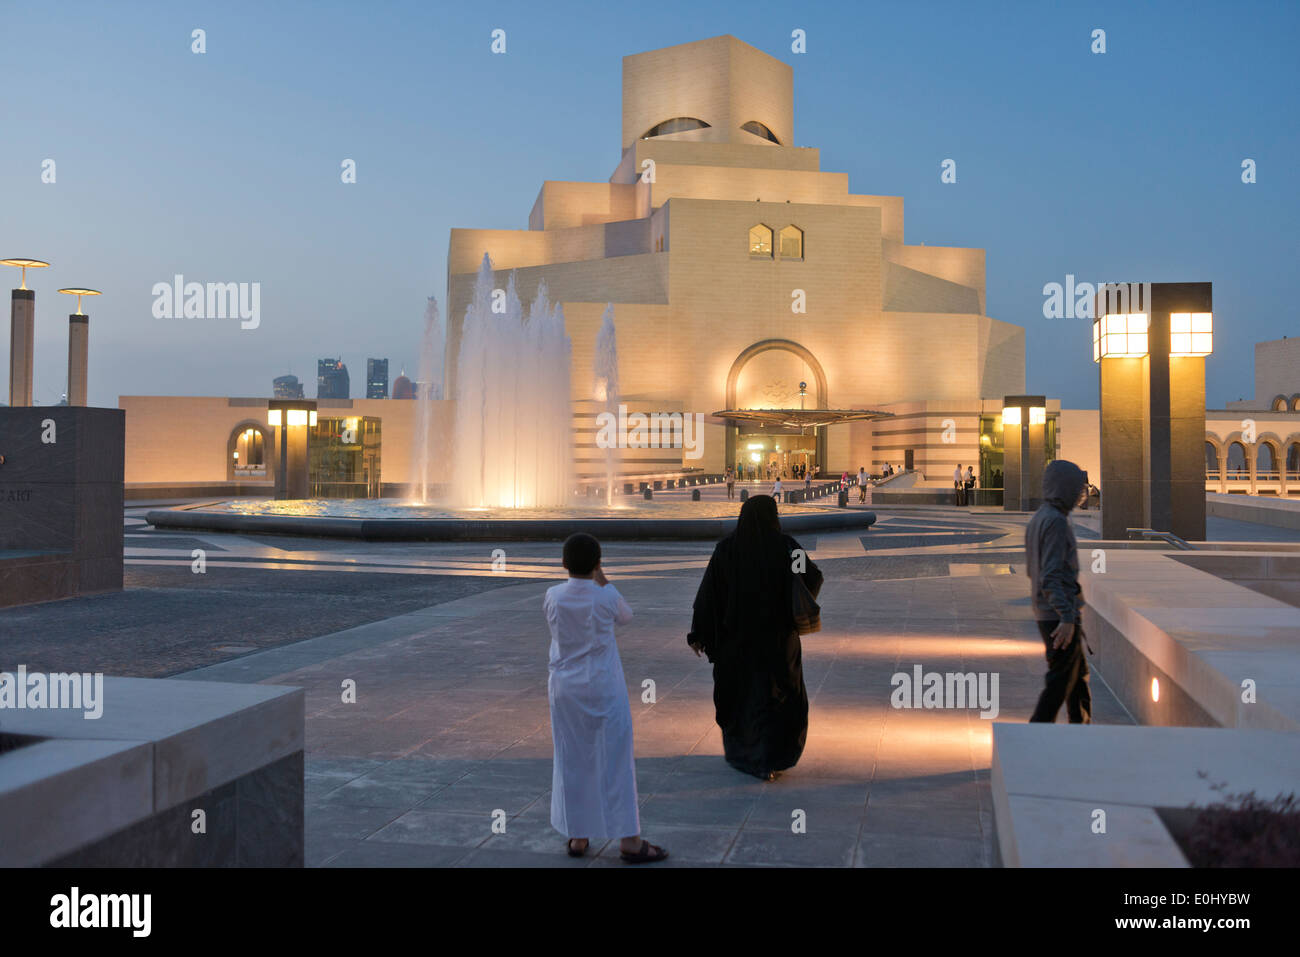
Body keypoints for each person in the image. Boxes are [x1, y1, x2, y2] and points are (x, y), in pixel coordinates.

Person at [544, 533, 668, 863]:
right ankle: (629, 839)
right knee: (614, 759)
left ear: (563, 563)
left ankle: (578, 835)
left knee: (571, 758)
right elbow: (626, 616)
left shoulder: (553, 596)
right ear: (598, 564)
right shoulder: (606, 596)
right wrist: (603, 579)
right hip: (602, 687)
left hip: (564, 689)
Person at [687, 495, 823, 780]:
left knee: (742, 696)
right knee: (778, 694)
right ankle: (773, 757)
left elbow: (709, 596)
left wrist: (699, 634)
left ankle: (749, 756)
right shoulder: (787, 547)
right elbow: (811, 577)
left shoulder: (727, 550)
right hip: (779, 638)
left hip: (736, 640)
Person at [1026, 461, 1093, 725]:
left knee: (1076, 679)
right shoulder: (1055, 522)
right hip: (1058, 616)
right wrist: (1066, 617)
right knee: (1059, 683)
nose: (1080, 494)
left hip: (1048, 611)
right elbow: (1050, 575)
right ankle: (1034, 737)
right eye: (1077, 488)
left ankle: (1081, 730)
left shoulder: (1041, 517)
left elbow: (1036, 571)